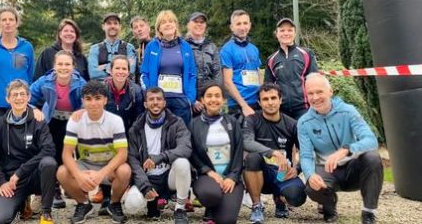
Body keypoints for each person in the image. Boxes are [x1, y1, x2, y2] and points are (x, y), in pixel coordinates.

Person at [298, 73, 383, 224]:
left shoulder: (348, 111)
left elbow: (371, 140)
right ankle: (329, 207)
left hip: (353, 168)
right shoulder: (304, 122)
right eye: (310, 93)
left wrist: (346, 149)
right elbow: (305, 156)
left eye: (319, 92)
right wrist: (310, 175)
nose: (315, 97)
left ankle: (368, 213)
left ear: (330, 91)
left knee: (373, 157)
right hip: (327, 171)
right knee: (311, 187)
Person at [57, 81, 131, 224]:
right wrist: (79, 176)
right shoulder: (75, 120)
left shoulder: (115, 121)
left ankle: (114, 204)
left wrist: (101, 174)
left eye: (97, 98)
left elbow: (122, 154)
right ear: (83, 101)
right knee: (62, 172)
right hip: (86, 164)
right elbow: (66, 154)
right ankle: (84, 204)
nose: (93, 103)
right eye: (88, 99)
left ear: (105, 100)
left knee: (125, 170)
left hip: (109, 167)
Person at [0, 80, 57, 224]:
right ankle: (21, 202)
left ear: (28, 97)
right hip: (13, 182)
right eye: (14, 95)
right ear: (8, 99)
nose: (19, 98)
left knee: (49, 163)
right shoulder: (0, 124)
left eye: (22, 94)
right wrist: (1, 182)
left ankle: (46, 212)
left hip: (35, 175)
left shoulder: (38, 121)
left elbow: (49, 149)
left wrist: (20, 172)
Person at [123, 87, 192, 223]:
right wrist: (144, 186)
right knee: (131, 205)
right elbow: (133, 160)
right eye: (151, 99)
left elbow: (185, 148)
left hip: (169, 177)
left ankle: (180, 209)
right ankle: (153, 202)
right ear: (145, 104)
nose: (155, 102)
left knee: (182, 163)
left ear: (164, 103)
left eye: (159, 99)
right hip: (149, 178)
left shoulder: (176, 122)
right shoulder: (136, 129)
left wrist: (161, 157)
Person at [242, 83, 307, 224]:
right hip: (261, 174)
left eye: (273, 98)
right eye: (265, 99)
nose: (270, 102)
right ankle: (257, 206)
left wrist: (297, 169)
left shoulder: (292, 124)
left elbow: (307, 151)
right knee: (252, 158)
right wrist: (273, 153)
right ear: (259, 102)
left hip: (283, 174)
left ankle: (280, 199)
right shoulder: (252, 119)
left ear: (280, 100)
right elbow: (246, 142)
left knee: (297, 197)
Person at [30, 50, 86, 209]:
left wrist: (82, 110)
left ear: (73, 66)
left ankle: (77, 187)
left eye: (67, 64)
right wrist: (34, 109)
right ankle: (55, 190)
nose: (63, 67)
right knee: (53, 153)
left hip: (73, 120)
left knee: (75, 154)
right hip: (52, 119)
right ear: (54, 66)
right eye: (60, 64)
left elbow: (89, 99)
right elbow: (28, 96)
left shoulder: (80, 82)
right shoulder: (45, 81)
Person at [190, 83, 244, 224]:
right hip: (207, 177)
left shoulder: (232, 122)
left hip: (230, 178)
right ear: (202, 100)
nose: (213, 99)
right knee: (210, 194)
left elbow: (239, 151)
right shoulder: (194, 124)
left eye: (217, 96)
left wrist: (232, 177)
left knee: (227, 220)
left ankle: (218, 208)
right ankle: (211, 205)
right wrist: (208, 171)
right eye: (209, 96)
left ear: (223, 100)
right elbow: (193, 154)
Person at [140, 10, 197, 127]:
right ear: (159, 28)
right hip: (158, 101)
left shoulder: (185, 47)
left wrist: (190, 98)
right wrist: (150, 95)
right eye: (163, 22)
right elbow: (144, 74)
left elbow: (192, 74)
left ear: (175, 25)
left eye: (171, 21)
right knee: (160, 138)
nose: (168, 24)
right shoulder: (151, 47)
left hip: (181, 100)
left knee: (182, 136)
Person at [0, 7, 35, 125]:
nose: (7, 22)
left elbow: (30, 75)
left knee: (20, 140)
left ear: (17, 23)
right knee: (0, 139)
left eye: (11, 19)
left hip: (21, 102)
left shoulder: (27, 47)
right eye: (4, 19)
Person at [264, 18, 318, 119]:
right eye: (282, 30)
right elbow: (268, 87)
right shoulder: (271, 59)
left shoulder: (306, 54)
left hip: (304, 109)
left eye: (289, 30)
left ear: (295, 33)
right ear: (276, 34)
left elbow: (315, 82)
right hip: (281, 111)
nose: (286, 33)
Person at [220, 9, 261, 118]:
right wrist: (244, 106)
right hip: (238, 105)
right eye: (238, 24)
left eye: (245, 23)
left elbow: (258, 75)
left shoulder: (254, 49)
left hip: (257, 103)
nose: (242, 27)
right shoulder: (226, 50)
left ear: (250, 25)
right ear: (232, 27)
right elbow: (227, 82)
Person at [185, 12, 222, 116]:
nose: (199, 24)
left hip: (209, 101)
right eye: (195, 21)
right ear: (188, 25)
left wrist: (212, 98)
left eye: (202, 22)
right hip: (188, 103)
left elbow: (217, 75)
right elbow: (181, 75)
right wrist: (191, 100)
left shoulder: (212, 47)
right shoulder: (183, 46)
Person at [88, 13, 136, 81]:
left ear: (120, 26)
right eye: (109, 23)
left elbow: (131, 71)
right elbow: (93, 73)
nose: (112, 26)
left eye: (115, 23)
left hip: (125, 88)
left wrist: (103, 67)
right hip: (102, 89)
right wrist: (121, 69)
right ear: (103, 26)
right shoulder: (95, 49)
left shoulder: (129, 48)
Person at [130, 16, 152, 83]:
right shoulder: (135, 52)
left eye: (142, 26)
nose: (139, 29)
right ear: (133, 33)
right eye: (135, 27)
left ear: (148, 28)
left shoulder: (159, 46)